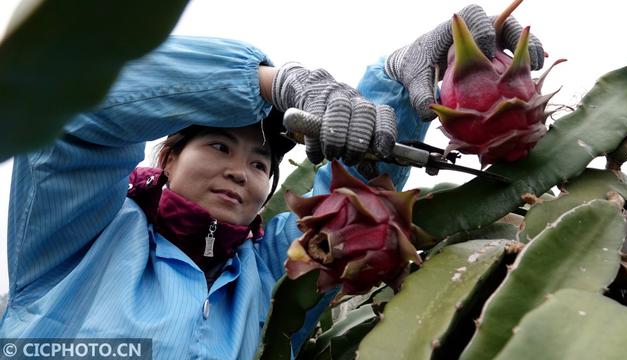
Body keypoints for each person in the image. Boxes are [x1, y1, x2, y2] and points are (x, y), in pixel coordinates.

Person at [0, 5, 543, 359]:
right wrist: (269, 83)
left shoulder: (270, 271)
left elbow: (355, 203)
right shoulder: (82, 241)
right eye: (218, 146)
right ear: (166, 157)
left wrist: (410, 70)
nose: (241, 169)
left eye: (261, 163)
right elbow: (71, 117)